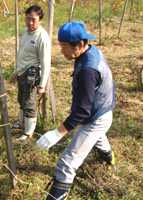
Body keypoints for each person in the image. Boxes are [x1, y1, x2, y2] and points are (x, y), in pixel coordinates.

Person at [36, 21, 116, 200]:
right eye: (60, 46)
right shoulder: (90, 50)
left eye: (64, 47)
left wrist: (58, 133)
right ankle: (110, 160)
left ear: (80, 44)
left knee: (66, 163)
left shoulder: (88, 70)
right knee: (98, 138)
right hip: (102, 110)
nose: (62, 51)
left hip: (97, 116)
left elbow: (82, 112)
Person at [13, 5, 51, 141]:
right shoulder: (25, 32)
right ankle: (21, 124)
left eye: (33, 20)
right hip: (22, 71)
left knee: (29, 102)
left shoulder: (42, 37)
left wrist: (42, 84)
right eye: (28, 19)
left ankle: (28, 132)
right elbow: (20, 53)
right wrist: (16, 70)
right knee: (21, 98)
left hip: (32, 73)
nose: (30, 23)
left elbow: (45, 61)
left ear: (40, 20)